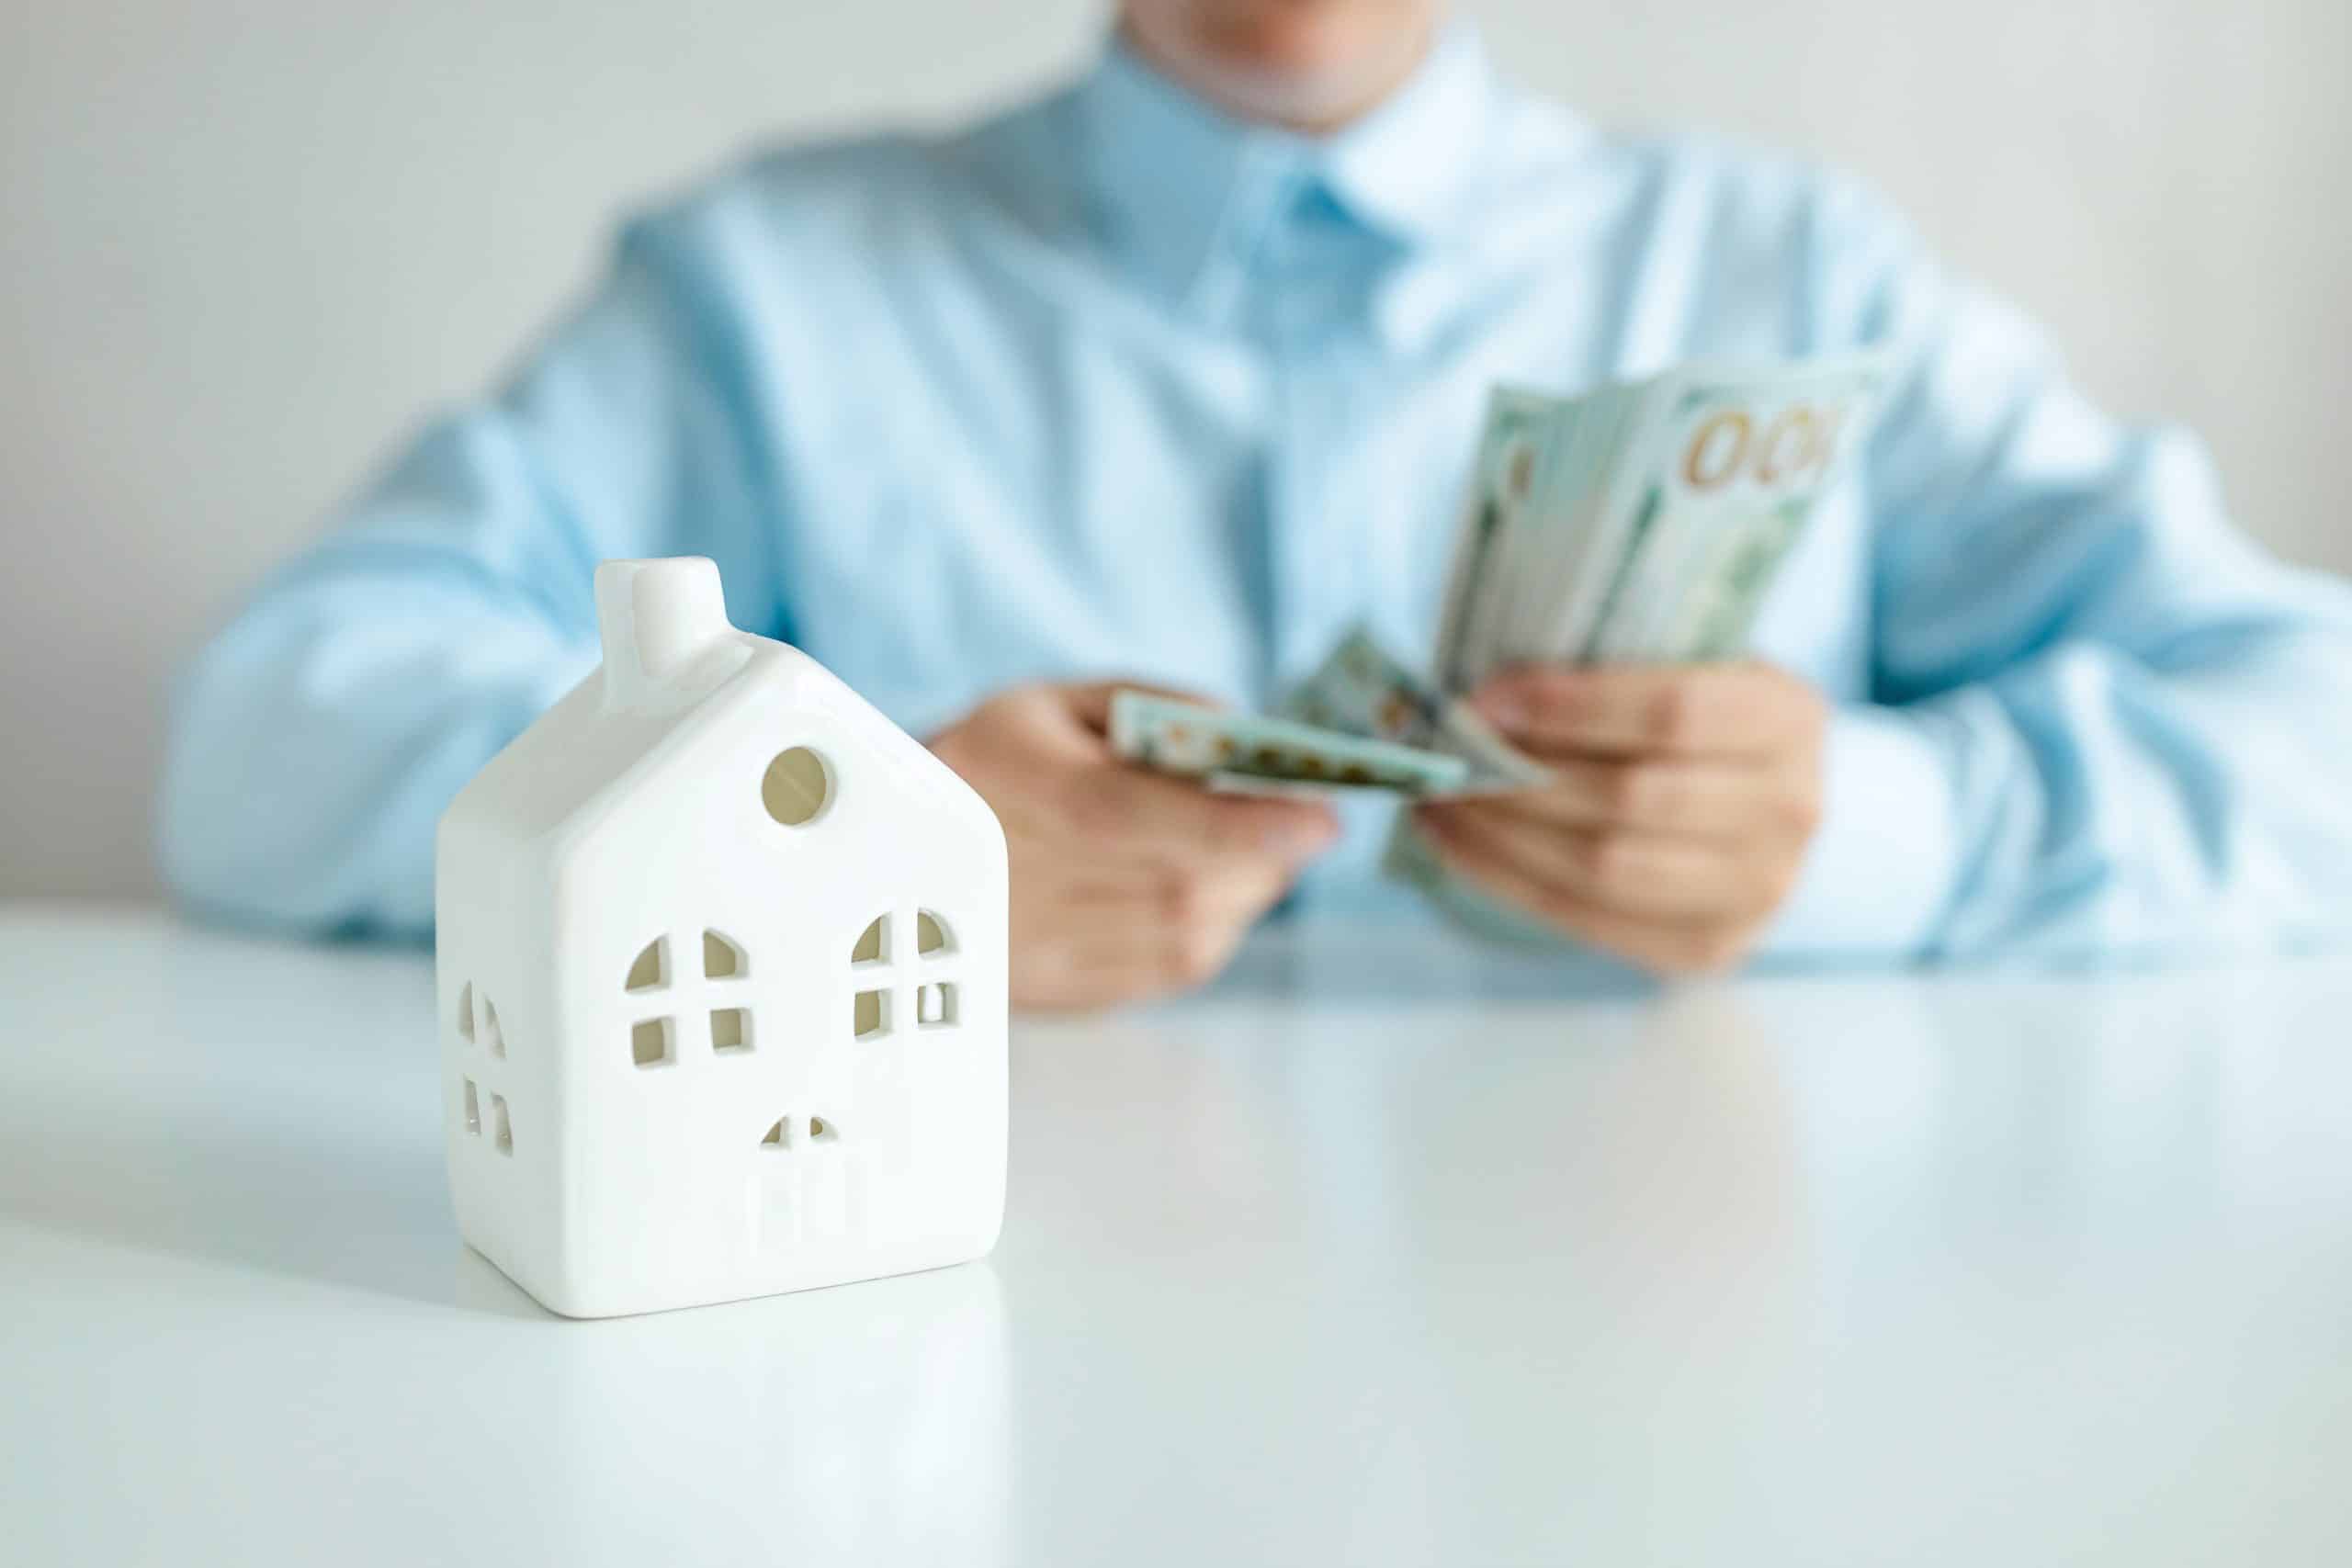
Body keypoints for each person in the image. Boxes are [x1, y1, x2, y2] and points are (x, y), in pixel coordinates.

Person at [159, 0, 2352, 1007]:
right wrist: (826, 858)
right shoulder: (760, 293)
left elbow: (2309, 733)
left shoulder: (1796, 280)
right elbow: (266, 739)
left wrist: (1884, 834)